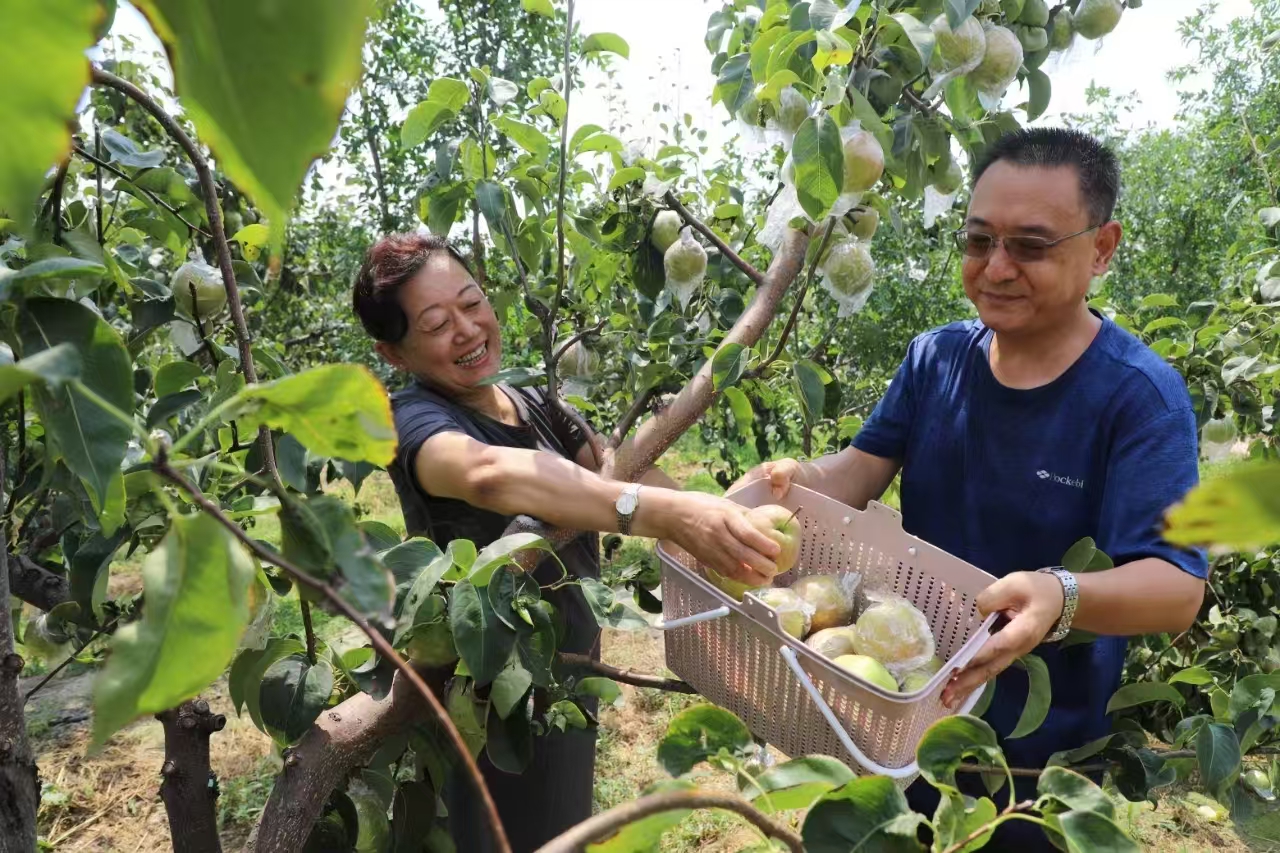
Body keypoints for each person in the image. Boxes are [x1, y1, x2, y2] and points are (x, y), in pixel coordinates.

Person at [731, 127, 1206, 849]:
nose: (997, 267)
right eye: (979, 241)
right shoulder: (938, 359)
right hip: (897, 703)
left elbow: (1176, 587)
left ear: (1102, 248)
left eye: (1031, 246)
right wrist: (795, 480)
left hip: (1033, 763)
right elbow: (860, 468)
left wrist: (1059, 595)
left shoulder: (1139, 398)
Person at [352, 232, 781, 853]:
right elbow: (488, 473)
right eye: (437, 324)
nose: (468, 330)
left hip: (568, 678)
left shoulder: (532, 400)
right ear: (394, 353)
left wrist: (732, 510)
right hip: (489, 702)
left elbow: (620, 471)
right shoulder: (413, 419)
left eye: (472, 303)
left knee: (563, 825)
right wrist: (665, 516)